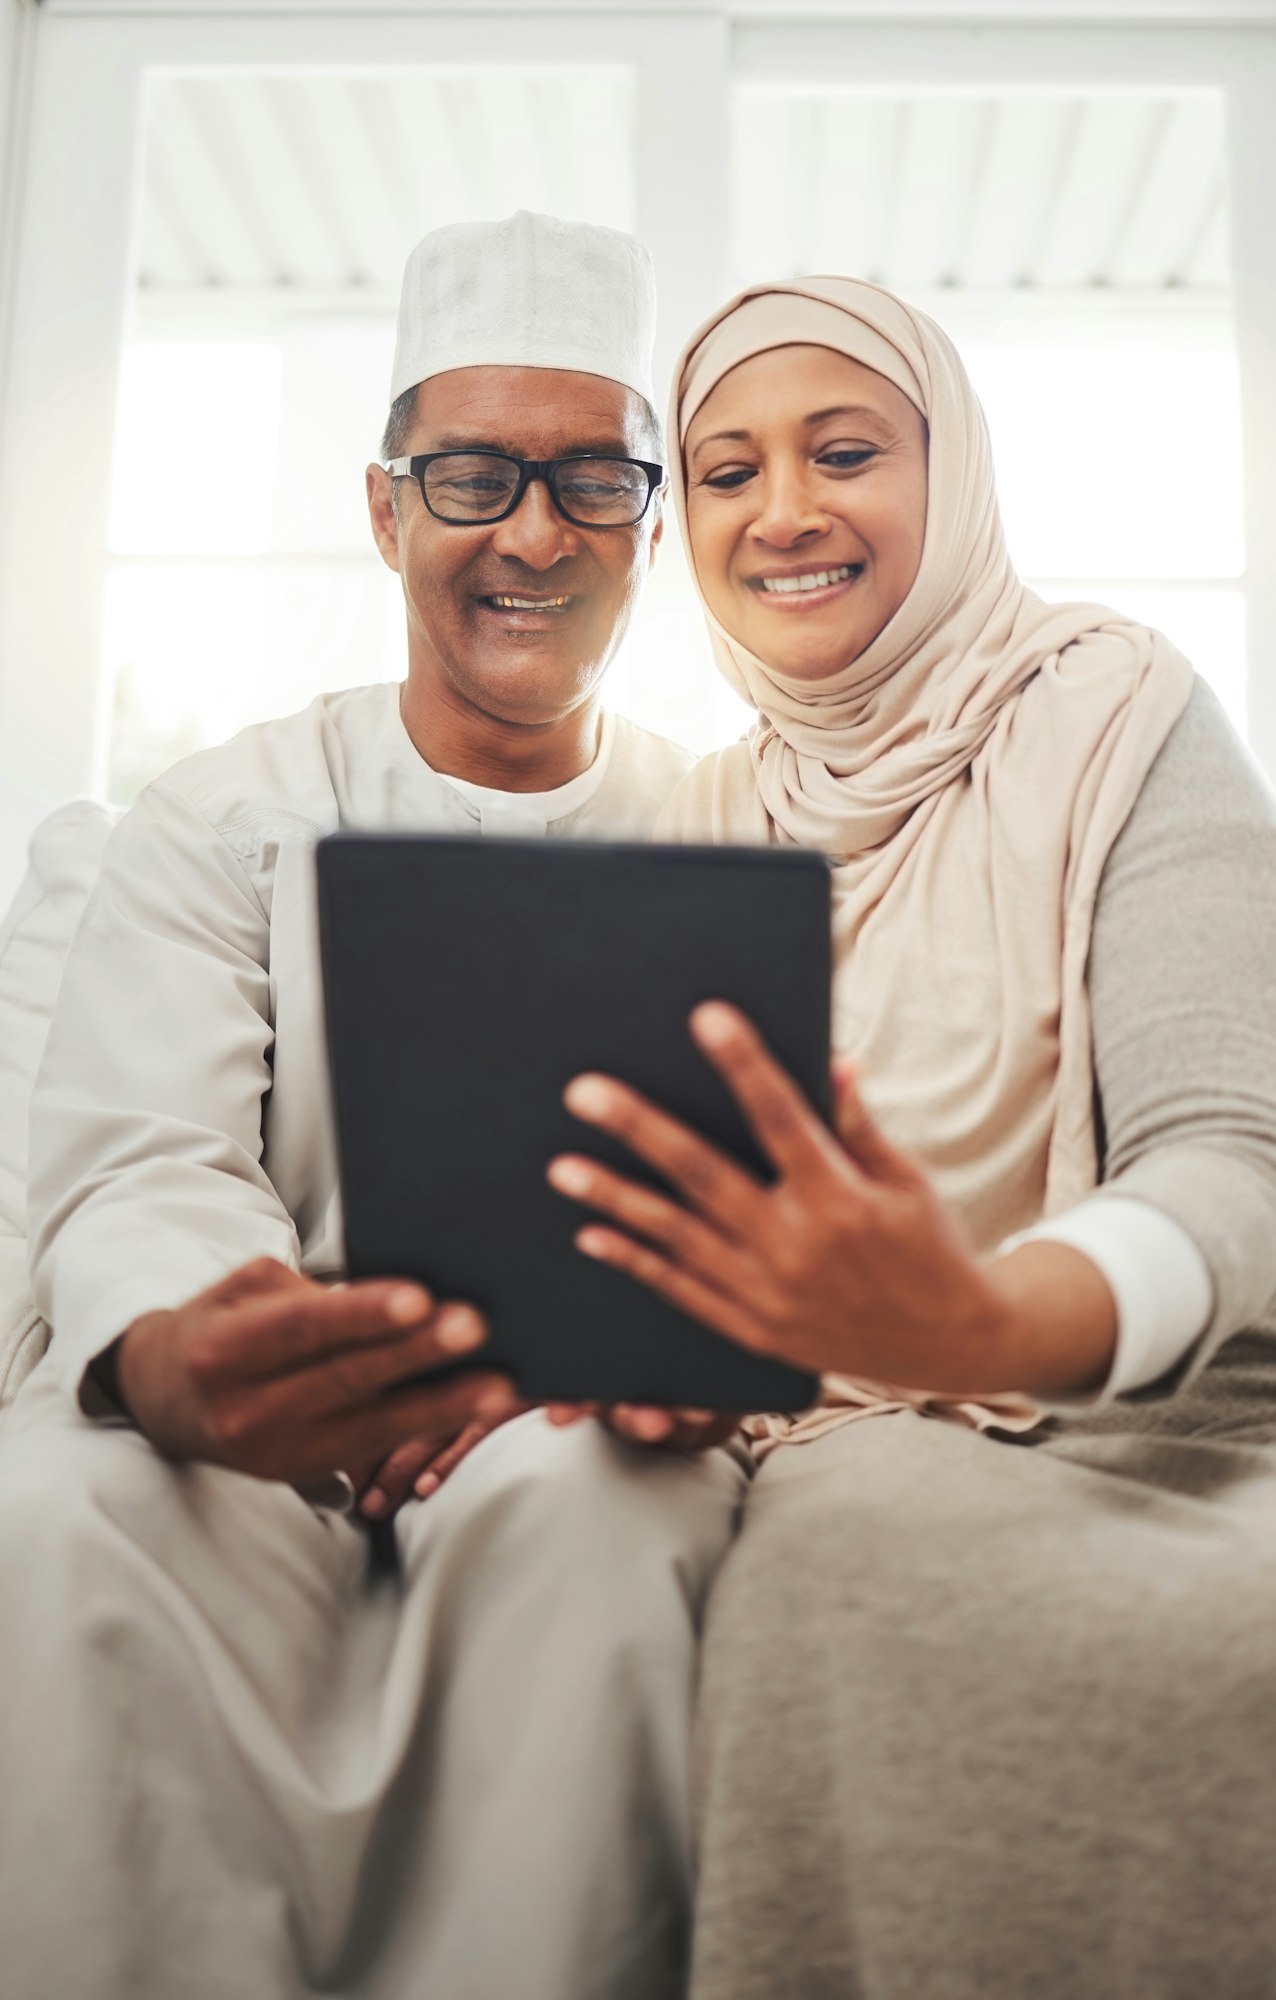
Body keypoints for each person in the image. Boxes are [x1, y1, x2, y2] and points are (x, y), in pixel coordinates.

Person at [545, 277, 1276, 1998]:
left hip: (1221, 1391)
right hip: (867, 1417)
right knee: (841, 1581)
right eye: (729, 472)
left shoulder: (1118, 711)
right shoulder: (700, 819)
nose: (788, 512)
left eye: (845, 452)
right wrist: (684, 1350)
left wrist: (981, 1324)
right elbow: (706, 1230)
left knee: (1275, 1642)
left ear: (949, 468)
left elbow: (1231, 1158)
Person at [0, 212, 746, 2000]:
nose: (534, 532)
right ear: (387, 509)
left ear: (649, 520)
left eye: (591, 478)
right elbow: (145, 1158)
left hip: (568, 1419)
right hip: (242, 1418)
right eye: (474, 475)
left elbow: (753, 1186)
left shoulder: (729, 824)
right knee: (53, 1515)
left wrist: (607, 1354)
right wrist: (194, 1352)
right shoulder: (222, 814)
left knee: (606, 1518)